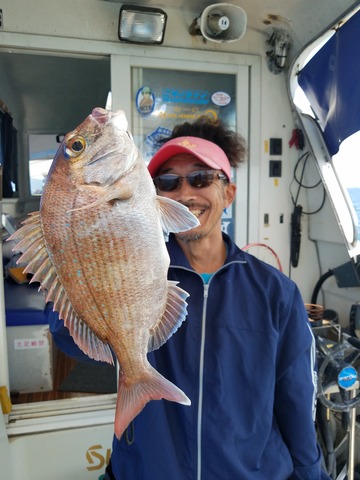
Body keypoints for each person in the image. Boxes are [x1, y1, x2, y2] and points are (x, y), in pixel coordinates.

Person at [48, 116, 330, 479]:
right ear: (152, 196)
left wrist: (311, 474)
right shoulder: (136, 274)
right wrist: (74, 250)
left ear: (228, 192)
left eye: (201, 178)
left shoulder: (275, 291)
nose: (185, 193)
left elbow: (295, 396)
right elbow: (64, 336)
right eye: (168, 182)